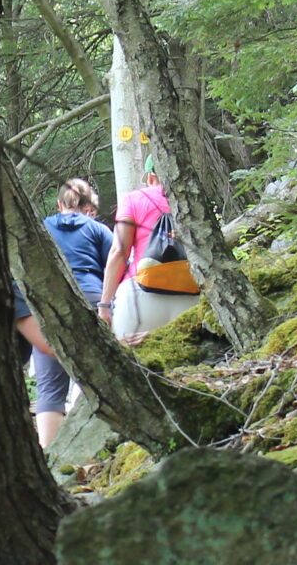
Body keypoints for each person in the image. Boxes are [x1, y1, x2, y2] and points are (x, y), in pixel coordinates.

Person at [35, 180, 113, 446]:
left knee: (50, 389)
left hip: (49, 306)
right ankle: (93, 450)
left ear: (59, 204)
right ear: (90, 205)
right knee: (99, 377)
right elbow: (116, 269)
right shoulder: (99, 231)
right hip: (91, 300)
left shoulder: (39, 229)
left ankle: (51, 457)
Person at [99, 166, 195, 341]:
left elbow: (119, 251)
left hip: (140, 294)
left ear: (151, 177)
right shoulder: (193, 200)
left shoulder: (134, 199)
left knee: (136, 361)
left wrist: (104, 304)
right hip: (191, 293)